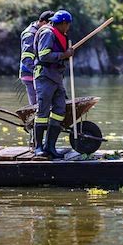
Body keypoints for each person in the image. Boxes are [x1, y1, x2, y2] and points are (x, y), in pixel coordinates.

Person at [32, 10, 75, 159]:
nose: (68, 27)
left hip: (57, 77)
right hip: (45, 76)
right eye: (68, 24)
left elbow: (60, 55)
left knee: (59, 110)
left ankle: (50, 147)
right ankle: (38, 147)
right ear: (63, 23)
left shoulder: (60, 34)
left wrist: (67, 54)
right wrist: (64, 55)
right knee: (43, 111)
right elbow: (44, 55)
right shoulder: (47, 33)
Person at [19, 10, 55, 105]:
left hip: (41, 73)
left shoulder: (43, 32)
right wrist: (38, 72)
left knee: (45, 102)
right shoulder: (29, 34)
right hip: (30, 73)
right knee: (37, 104)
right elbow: (26, 59)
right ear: (44, 22)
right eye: (51, 24)